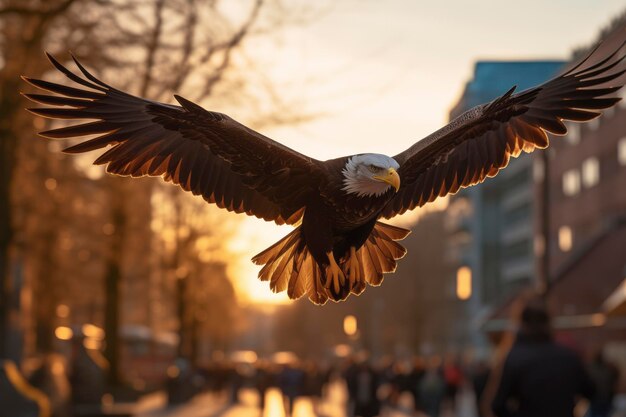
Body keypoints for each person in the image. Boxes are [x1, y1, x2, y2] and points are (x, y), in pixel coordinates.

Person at [490, 296, 595, 417]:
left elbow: (497, 405)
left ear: (522, 323)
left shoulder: (515, 358)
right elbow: (590, 391)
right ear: (548, 322)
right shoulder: (568, 356)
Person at [586, 350, 619, 417]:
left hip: (595, 398)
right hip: (605, 398)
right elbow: (615, 376)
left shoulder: (590, 369)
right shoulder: (608, 370)